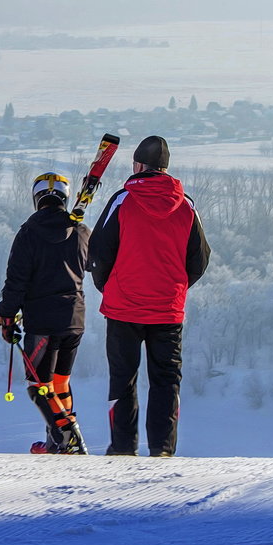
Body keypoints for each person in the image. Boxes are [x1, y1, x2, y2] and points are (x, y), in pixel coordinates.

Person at [88, 135, 210, 457]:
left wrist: (109, 286)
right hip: (167, 312)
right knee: (166, 381)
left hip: (123, 308)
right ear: (164, 168)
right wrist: (174, 289)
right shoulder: (186, 206)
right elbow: (199, 260)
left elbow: (98, 253)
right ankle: (163, 449)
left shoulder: (123, 200)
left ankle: (123, 448)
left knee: (123, 380)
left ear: (138, 165)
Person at [0, 173, 91, 455]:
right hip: (75, 318)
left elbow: (16, 281)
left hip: (42, 321)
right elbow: (95, 264)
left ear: (37, 198)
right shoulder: (81, 231)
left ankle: (67, 438)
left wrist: (7, 317)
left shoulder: (28, 232)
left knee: (38, 386)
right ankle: (57, 441)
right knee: (59, 383)